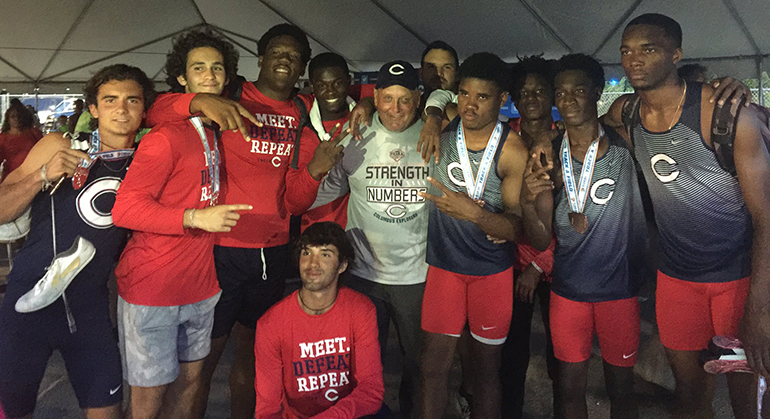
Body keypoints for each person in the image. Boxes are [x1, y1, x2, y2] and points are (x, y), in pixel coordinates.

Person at [146, 23, 343, 418]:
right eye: (277, 53)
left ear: (302, 65)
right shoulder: (232, 93)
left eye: (293, 56)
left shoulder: (303, 117)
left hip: (270, 255)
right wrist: (200, 101)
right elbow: (155, 110)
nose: (284, 60)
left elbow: (295, 201)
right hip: (218, 251)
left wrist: (315, 171)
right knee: (199, 363)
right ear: (261, 59)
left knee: (252, 360)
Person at [598, 13, 770, 418]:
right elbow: (589, 123)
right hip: (677, 280)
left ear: (676, 54)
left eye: (648, 49)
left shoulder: (726, 116)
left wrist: (760, 308)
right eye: (626, 51)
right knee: (691, 394)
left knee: (747, 400)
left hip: (738, 278)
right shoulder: (626, 113)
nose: (633, 60)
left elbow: (766, 218)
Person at [0, 64, 154, 419]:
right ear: (94, 109)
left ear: (144, 110)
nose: (122, 108)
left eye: (132, 100)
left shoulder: (147, 160)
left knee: (106, 408)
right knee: (13, 410)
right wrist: (42, 174)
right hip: (28, 301)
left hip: (89, 308)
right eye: (110, 100)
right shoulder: (60, 145)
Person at [111, 29, 251, 419]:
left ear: (226, 78)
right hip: (152, 289)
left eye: (217, 68)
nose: (210, 75)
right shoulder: (166, 137)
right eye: (198, 68)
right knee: (147, 403)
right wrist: (194, 217)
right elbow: (124, 210)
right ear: (183, 80)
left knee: (189, 387)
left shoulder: (211, 131)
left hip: (201, 286)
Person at [522, 53, 648, 419]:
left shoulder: (625, 140)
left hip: (618, 291)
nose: (568, 100)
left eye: (578, 90)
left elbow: (650, 100)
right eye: (560, 93)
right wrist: (530, 201)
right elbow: (541, 238)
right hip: (569, 291)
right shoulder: (546, 157)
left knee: (621, 390)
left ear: (596, 93)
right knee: (569, 388)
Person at [311, 60, 428, 418]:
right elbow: (324, 192)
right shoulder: (352, 137)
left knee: (419, 365)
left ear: (418, 99)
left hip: (416, 276)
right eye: (387, 98)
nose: (395, 108)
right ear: (374, 96)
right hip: (363, 275)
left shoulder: (434, 137)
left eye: (404, 99)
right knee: (362, 363)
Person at [418, 52, 528, 419]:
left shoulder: (512, 151)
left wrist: (476, 215)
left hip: (490, 275)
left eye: (482, 97)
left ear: (502, 100)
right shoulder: (446, 123)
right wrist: (433, 117)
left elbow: (516, 227)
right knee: (433, 369)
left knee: (484, 374)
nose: (470, 104)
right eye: (464, 94)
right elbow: (435, 96)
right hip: (445, 268)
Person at [255, 221, 384, 418]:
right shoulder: (271, 324)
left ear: (342, 265)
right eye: (306, 253)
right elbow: (268, 409)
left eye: (325, 254)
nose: (312, 263)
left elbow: (371, 390)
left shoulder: (360, 310)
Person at [500, 55, 560, 419]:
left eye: (540, 90)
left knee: (562, 357)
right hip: (510, 262)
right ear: (516, 100)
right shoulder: (505, 138)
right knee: (512, 355)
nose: (533, 97)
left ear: (552, 95)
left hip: (554, 265)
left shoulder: (568, 138)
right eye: (525, 92)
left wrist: (539, 264)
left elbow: (572, 210)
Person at [300, 52, 358, 231]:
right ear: (311, 86)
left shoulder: (368, 119)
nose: (331, 91)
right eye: (322, 85)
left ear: (349, 81)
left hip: (363, 231)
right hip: (318, 230)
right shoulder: (301, 124)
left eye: (338, 83)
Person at [0, 104, 43, 176]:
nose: (16, 119)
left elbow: (44, 149)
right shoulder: (3, 138)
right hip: (12, 175)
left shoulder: (33, 132)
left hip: (33, 173)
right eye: (13, 117)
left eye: (19, 116)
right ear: (8, 119)